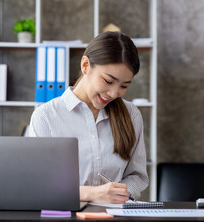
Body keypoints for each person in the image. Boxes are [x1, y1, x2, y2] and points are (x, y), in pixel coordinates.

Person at [28, 31, 148, 204]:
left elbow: (137, 176)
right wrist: (91, 194)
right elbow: (39, 185)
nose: (114, 93)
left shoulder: (131, 115)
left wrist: (119, 193)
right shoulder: (46, 117)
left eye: (124, 86)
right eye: (108, 81)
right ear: (85, 65)